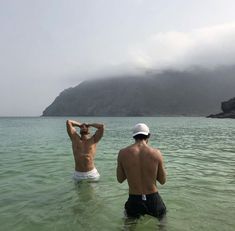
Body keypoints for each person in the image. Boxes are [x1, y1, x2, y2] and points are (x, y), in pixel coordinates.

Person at [116, 123, 167, 220]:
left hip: (134, 199)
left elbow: (120, 179)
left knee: (128, 227)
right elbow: (163, 181)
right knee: (162, 225)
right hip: (153, 199)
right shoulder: (156, 153)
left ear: (134, 136)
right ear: (148, 136)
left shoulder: (122, 153)